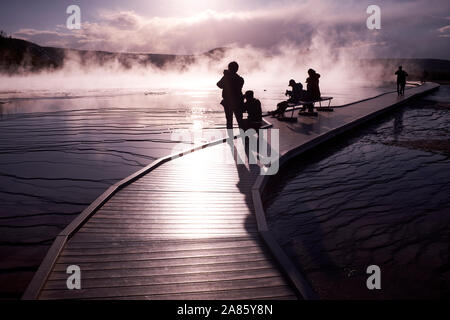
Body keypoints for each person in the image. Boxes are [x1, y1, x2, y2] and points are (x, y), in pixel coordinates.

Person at [217, 61, 245, 129]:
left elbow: (219, 85)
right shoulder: (240, 79)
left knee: (229, 121)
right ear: (237, 69)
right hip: (238, 102)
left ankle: (230, 138)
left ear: (229, 68)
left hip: (228, 102)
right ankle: (244, 137)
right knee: (240, 120)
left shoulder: (227, 78)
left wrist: (225, 76)